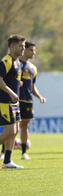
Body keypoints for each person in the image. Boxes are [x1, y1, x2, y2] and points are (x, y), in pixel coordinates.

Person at [17, 41, 46, 160]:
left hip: (28, 101)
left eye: (35, 51)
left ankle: (24, 152)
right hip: (15, 100)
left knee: (24, 125)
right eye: (32, 50)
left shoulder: (33, 68)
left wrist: (39, 96)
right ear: (25, 50)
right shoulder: (15, 64)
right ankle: (4, 153)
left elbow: (32, 86)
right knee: (12, 127)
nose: (34, 53)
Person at [0, 34, 25, 168]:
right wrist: (11, 92)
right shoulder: (6, 60)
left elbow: (11, 79)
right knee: (10, 131)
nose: (23, 48)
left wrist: (18, 83)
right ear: (12, 46)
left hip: (14, 102)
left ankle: (7, 161)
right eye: (21, 46)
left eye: (24, 45)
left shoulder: (17, 63)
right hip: (5, 101)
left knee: (15, 131)